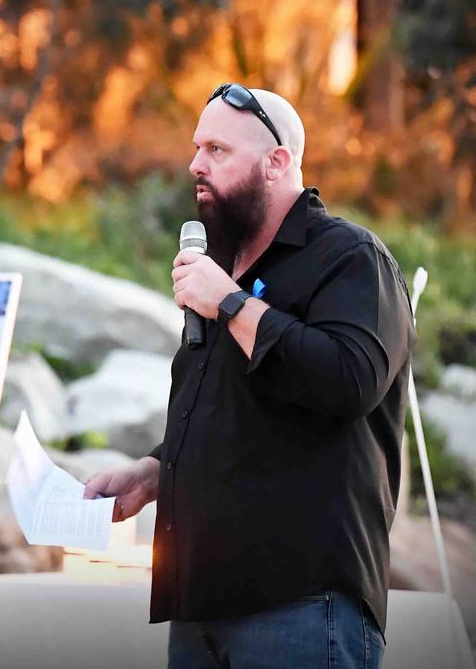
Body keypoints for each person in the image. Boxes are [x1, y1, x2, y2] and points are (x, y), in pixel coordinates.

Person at [83, 83, 414, 668]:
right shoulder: (220, 270)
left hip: (303, 609)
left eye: (216, 149)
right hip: (198, 607)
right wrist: (154, 471)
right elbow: (232, 408)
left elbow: (350, 379)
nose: (194, 165)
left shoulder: (351, 258)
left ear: (277, 162)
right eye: (195, 148)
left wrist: (234, 306)